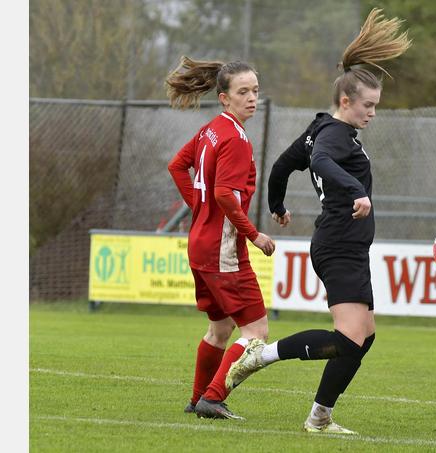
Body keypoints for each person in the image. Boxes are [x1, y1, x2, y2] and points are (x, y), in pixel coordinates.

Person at [224, 8, 411, 435]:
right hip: (339, 245)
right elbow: (322, 161)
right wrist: (357, 190)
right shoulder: (334, 136)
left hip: (346, 245)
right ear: (346, 102)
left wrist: (277, 204)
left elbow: (280, 166)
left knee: (364, 336)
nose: (372, 113)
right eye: (367, 106)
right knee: (348, 338)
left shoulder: (318, 128)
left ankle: (320, 416)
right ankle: (261, 356)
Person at [165, 56, 276, 420]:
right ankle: (212, 397)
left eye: (255, 90)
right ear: (224, 98)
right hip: (222, 250)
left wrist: (200, 210)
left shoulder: (212, 129)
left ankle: (198, 398)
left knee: (220, 328)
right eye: (243, 92)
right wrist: (254, 234)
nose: (252, 98)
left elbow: (177, 166)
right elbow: (224, 194)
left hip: (200, 244)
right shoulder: (235, 138)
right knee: (256, 331)